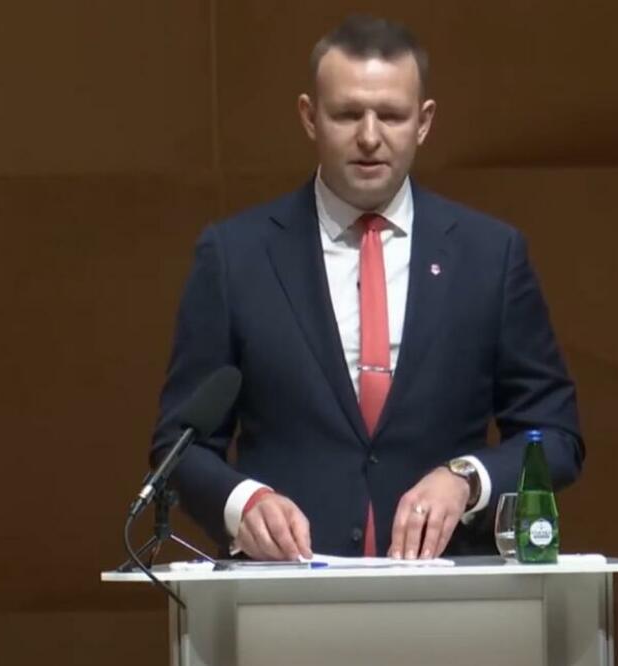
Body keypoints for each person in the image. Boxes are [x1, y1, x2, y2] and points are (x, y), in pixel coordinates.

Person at [151, 15, 584, 561]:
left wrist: (467, 478)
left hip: (452, 587)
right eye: (348, 114)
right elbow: (179, 447)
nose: (370, 137)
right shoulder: (235, 256)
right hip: (288, 587)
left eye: (392, 115)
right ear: (309, 116)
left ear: (424, 122)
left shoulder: (490, 256)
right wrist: (244, 502)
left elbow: (556, 437)